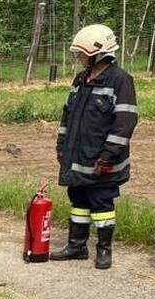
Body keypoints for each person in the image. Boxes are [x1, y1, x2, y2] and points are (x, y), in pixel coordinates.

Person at [51, 24, 137, 270]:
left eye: (82, 53)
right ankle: (76, 246)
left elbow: (125, 123)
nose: (79, 58)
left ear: (98, 53)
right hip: (77, 157)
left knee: (102, 204)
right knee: (78, 199)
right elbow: (67, 116)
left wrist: (108, 156)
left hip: (102, 160)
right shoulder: (80, 80)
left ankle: (104, 250)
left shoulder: (120, 80)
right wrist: (61, 145)